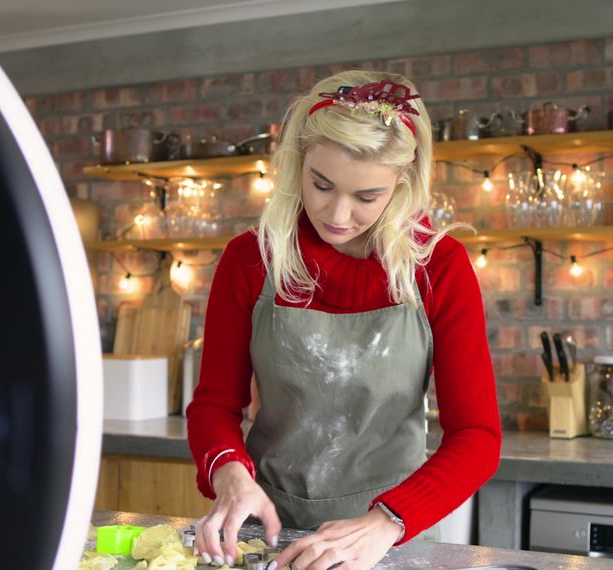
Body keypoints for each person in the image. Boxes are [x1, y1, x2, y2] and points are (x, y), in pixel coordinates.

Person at [185, 70, 501, 570]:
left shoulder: (438, 266)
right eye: (321, 184)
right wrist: (229, 475)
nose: (336, 213)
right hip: (264, 530)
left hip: (390, 537)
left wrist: (387, 522)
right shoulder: (251, 259)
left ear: (403, 180)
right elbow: (213, 407)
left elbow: (477, 437)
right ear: (298, 163)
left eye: (366, 196)